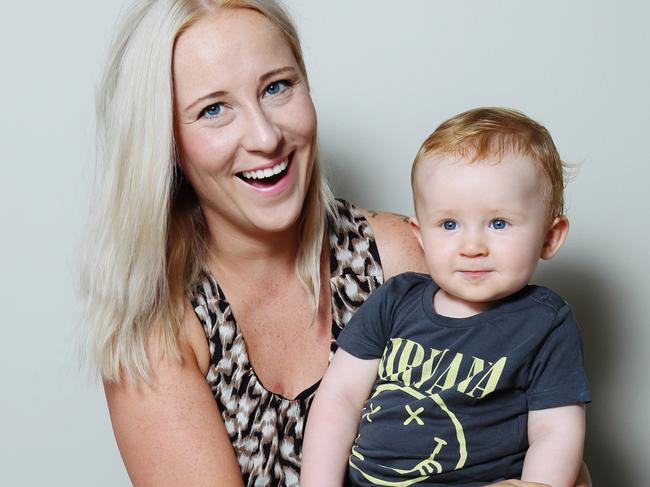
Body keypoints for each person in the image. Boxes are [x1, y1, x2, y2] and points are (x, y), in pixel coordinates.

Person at [79, 0, 591, 485]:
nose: (265, 136)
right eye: (214, 109)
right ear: (165, 145)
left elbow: (558, 461)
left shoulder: (399, 256)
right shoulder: (156, 334)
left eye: (277, 87)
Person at [301, 107, 591, 487]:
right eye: (449, 224)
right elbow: (338, 399)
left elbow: (556, 431)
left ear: (549, 238)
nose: (472, 246)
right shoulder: (395, 301)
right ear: (420, 236)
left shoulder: (545, 323)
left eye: (498, 223)